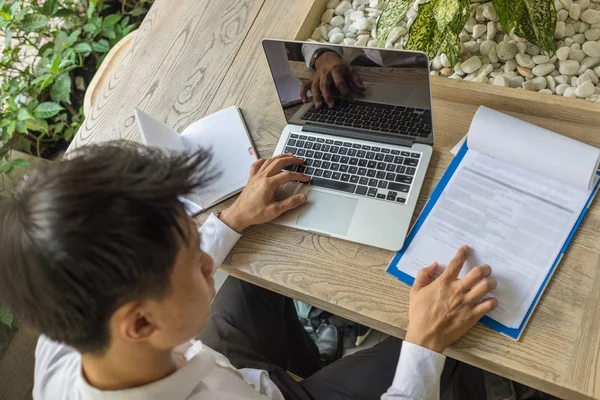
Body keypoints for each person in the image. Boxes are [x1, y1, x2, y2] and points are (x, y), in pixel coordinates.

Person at [0, 142, 505, 400]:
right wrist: (424, 346)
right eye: (196, 265)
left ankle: (321, 349)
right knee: (449, 339)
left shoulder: (66, 339)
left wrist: (235, 218)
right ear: (141, 324)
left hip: (226, 366)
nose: (207, 258)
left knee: (250, 269)